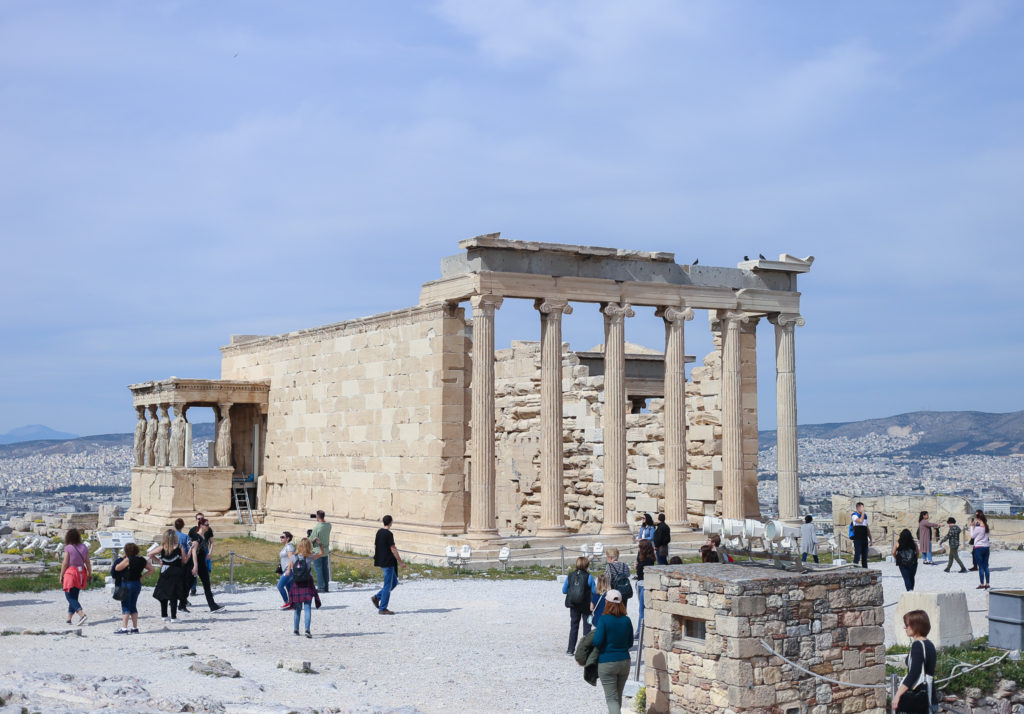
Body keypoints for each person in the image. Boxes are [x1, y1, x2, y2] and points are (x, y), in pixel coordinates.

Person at [593, 589, 633, 714]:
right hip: (624, 662)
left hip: (607, 662)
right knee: (617, 696)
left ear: (607, 602)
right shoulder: (627, 620)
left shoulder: (604, 620)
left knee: (611, 698)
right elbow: (630, 643)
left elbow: (597, 642)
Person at [893, 610, 937, 714]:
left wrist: (898, 695)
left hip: (918, 699)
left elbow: (914, 673)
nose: (905, 627)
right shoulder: (929, 644)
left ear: (916, 625)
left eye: (907, 624)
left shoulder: (918, 645)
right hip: (929, 695)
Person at [113, 542, 153, 633]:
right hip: (137, 584)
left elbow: (117, 568)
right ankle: (135, 628)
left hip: (127, 583)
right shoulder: (142, 559)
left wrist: (122, 558)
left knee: (126, 605)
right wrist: (142, 577)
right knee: (133, 605)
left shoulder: (128, 559)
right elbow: (152, 569)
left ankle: (124, 628)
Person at [152, 528, 190, 623]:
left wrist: (159, 561)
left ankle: (164, 615)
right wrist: (190, 551)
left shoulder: (162, 547)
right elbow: (185, 560)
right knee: (174, 594)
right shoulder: (179, 547)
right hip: (176, 572)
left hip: (165, 571)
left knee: (163, 593)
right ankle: (173, 617)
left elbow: (150, 554)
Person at [372, 514, 406, 615]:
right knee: (387, 585)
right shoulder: (389, 534)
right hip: (388, 562)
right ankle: (383, 608)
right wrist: (401, 562)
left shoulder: (379, 532)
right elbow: (393, 549)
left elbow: (375, 545)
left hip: (382, 561)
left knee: (394, 582)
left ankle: (377, 597)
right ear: (390, 522)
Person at [562, 556, 596, 655]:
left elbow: (564, 590)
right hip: (587, 606)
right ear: (587, 566)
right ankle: (586, 650)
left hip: (573, 605)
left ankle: (570, 649)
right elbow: (594, 591)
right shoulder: (589, 577)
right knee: (588, 626)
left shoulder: (570, 575)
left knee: (574, 626)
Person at [287, 537, 320, 637]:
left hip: (297, 583)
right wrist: (320, 545)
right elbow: (322, 553)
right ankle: (307, 630)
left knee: (297, 608)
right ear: (309, 546)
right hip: (307, 583)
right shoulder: (310, 557)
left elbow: (292, 568)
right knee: (307, 607)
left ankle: (296, 629)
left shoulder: (294, 557)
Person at [189, 523, 224, 612]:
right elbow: (193, 552)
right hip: (195, 563)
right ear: (201, 526)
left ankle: (212, 606)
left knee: (207, 585)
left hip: (202, 563)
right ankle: (179, 603)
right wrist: (195, 566)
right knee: (187, 584)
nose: (208, 526)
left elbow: (211, 543)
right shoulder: (196, 537)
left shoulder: (204, 536)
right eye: (206, 524)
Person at [60, 528, 91, 625]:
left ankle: (81, 614)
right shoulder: (84, 547)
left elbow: (65, 563)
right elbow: (87, 562)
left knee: (69, 595)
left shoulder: (68, 548)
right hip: (81, 572)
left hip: (71, 572)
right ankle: (69, 619)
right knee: (74, 596)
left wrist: (61, 575)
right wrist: (90, 573)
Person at [634, 540, 656, 638]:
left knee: (642, 609)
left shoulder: (645, 559)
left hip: (642, 583)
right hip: (643, 582)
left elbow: (640, 572)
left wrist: (637, 566)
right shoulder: (650, 557)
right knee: (643, 608)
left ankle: (639, 631)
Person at [310, 510, 332, 592]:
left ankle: (321, 587)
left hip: (317, 550)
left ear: (317, 516)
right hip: (325, 550)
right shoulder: (329, 525)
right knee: (325, 570)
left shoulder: (317, 527)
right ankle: (326, 587)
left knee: (318, 570)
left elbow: (311, 539)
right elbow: (325, 523)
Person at [971, 512, 991, 590]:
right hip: (986, 547)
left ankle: (982, 584)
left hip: (979, 547)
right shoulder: (987, 526)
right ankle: (988, 583)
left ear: (978, 519)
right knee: (986, 566)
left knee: (981, 567)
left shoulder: (979, 528)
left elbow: (972, 536)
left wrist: (972, 527)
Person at [277, 531, 296, 609]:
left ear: (287, 538)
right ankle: (293, 604)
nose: (281, 538)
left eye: (283, 537)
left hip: (289, 569)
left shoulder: (289, 547)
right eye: (280, 537)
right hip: (285, 569)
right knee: (289, 588)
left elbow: (291, 559)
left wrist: (289, 570)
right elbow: (283, 559)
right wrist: (279, 570)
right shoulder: (286, 547)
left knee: (280, 586)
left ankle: (287, 602)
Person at [849, 502, 872, 568]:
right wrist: (862, 513)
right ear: (858, 508)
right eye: (862, 507)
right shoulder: (854, 515)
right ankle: (855, 569)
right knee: (857, 555)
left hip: (864, 538)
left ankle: (865, 570)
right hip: (857, 538)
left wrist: (870, 539)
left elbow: (867, 527)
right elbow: (860, 521)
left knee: (865, 557)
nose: (863, 509)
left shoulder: (865, 516)